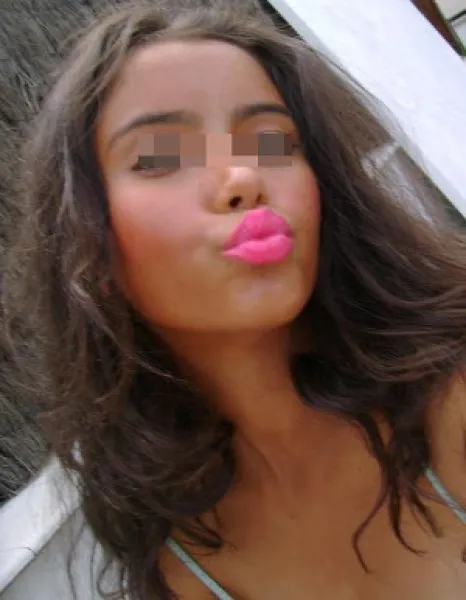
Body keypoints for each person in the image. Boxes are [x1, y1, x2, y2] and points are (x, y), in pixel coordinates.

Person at [2, 0, 466, 598]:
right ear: (89, 247)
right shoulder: (186, 559)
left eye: (273, 143)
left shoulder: (452, 398)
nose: (244, 177)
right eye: (161, 156)